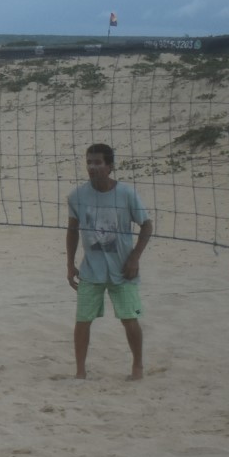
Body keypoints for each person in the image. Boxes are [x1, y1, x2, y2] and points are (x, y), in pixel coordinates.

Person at [66, 143, 152, 380]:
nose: (92, 167)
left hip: (123, 269)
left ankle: (137, 367)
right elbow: (72, 231)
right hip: (91, 270)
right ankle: (80, 371)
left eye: (98, 162)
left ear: (110, 166)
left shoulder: (126, 194)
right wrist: (70, 264)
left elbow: (147, 225)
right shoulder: (77, 196)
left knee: (129, 319)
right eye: (89, 162)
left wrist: (134, 258)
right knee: (82, 320)